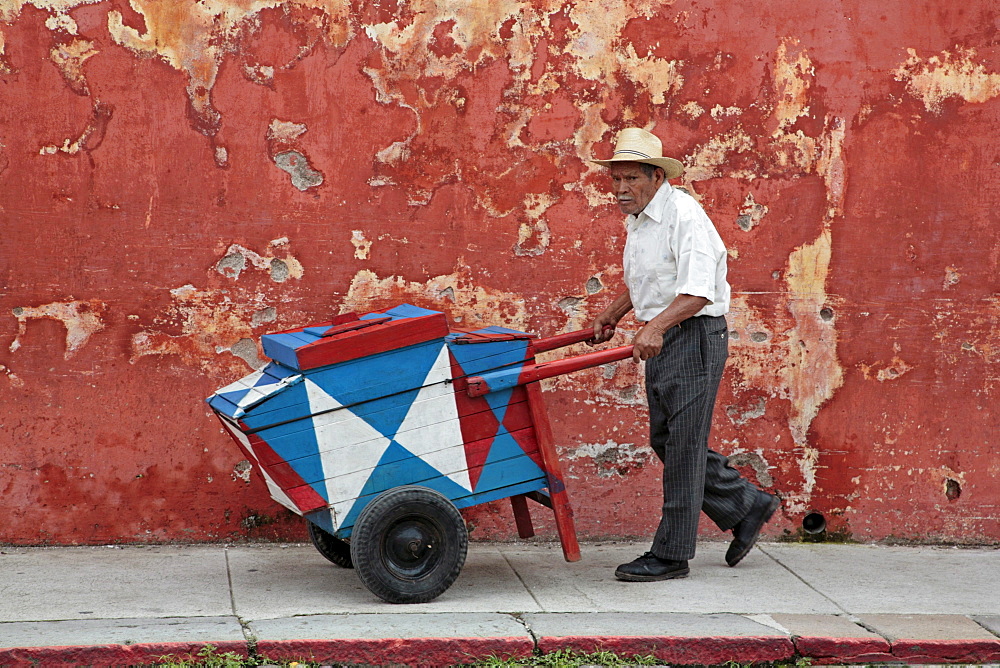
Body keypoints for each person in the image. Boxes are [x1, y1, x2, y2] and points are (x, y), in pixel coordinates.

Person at [588, 127, 779, 582]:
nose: (620, 189)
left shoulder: (684, 216)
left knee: (684, 448)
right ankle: (748, 505)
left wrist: (653, 327)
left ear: (657, 177)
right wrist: (613, 314)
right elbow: (653, 280)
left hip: (692, 337)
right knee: (666, 439)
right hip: (667, 336)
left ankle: (672, 554)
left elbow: (696, 292)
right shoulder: (641, 220)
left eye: (630, 179)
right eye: (615, 180)